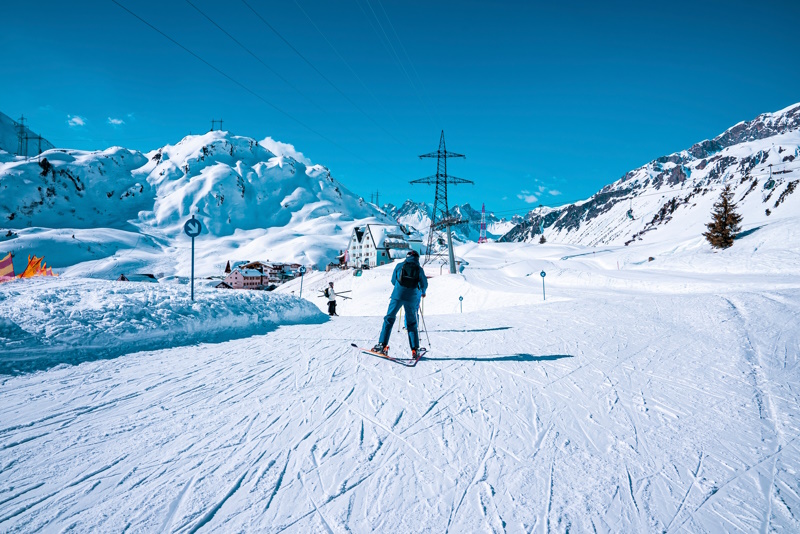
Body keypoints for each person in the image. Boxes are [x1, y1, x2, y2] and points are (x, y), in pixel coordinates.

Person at [372, 250, 428, 359]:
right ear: (417, 258)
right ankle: (415, 349)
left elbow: (393, 281)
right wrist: (423, 292)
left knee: (389, 319)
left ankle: (382, 345)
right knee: (412, 323)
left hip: (397, 296)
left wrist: (400, 287)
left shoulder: (399, 265)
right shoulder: (419, 269)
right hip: (411, 298)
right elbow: (424, 284)